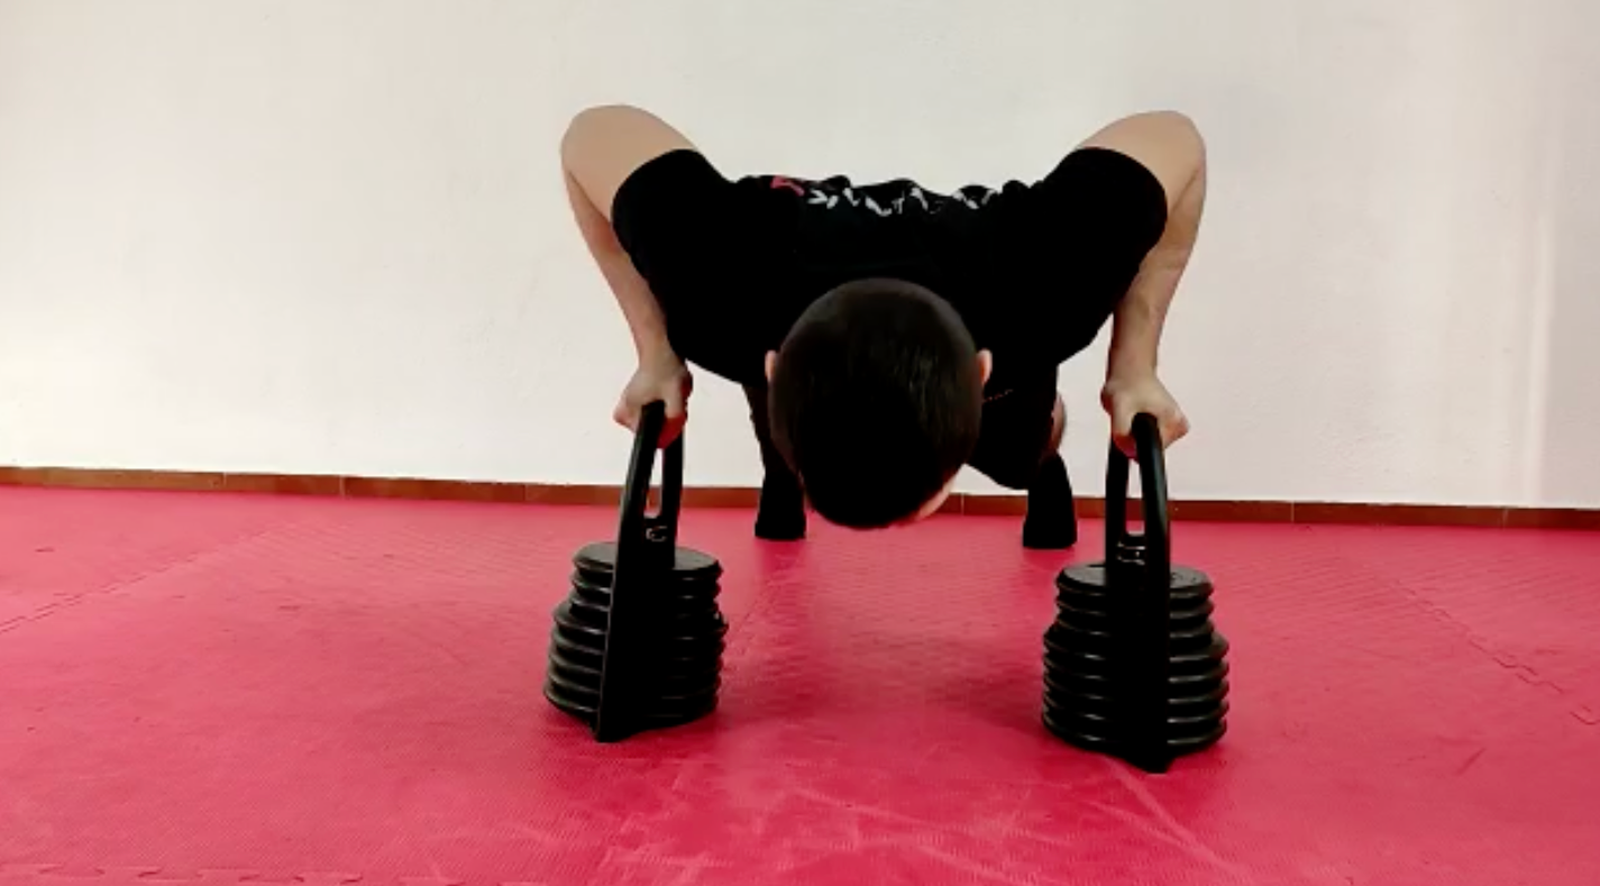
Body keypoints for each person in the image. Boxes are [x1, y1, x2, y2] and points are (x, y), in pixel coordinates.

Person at [560, 104, 1201, 547]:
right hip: (772, 282)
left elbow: (1179, 141)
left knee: (1019, 454)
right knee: (779, 417)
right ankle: (784, 475)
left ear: (980, 375)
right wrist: (655, 355)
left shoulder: (1039, 291)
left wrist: (1135, 369)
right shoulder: (716, 291)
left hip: (982, 298)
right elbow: (589, 136)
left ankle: (1040, 458)